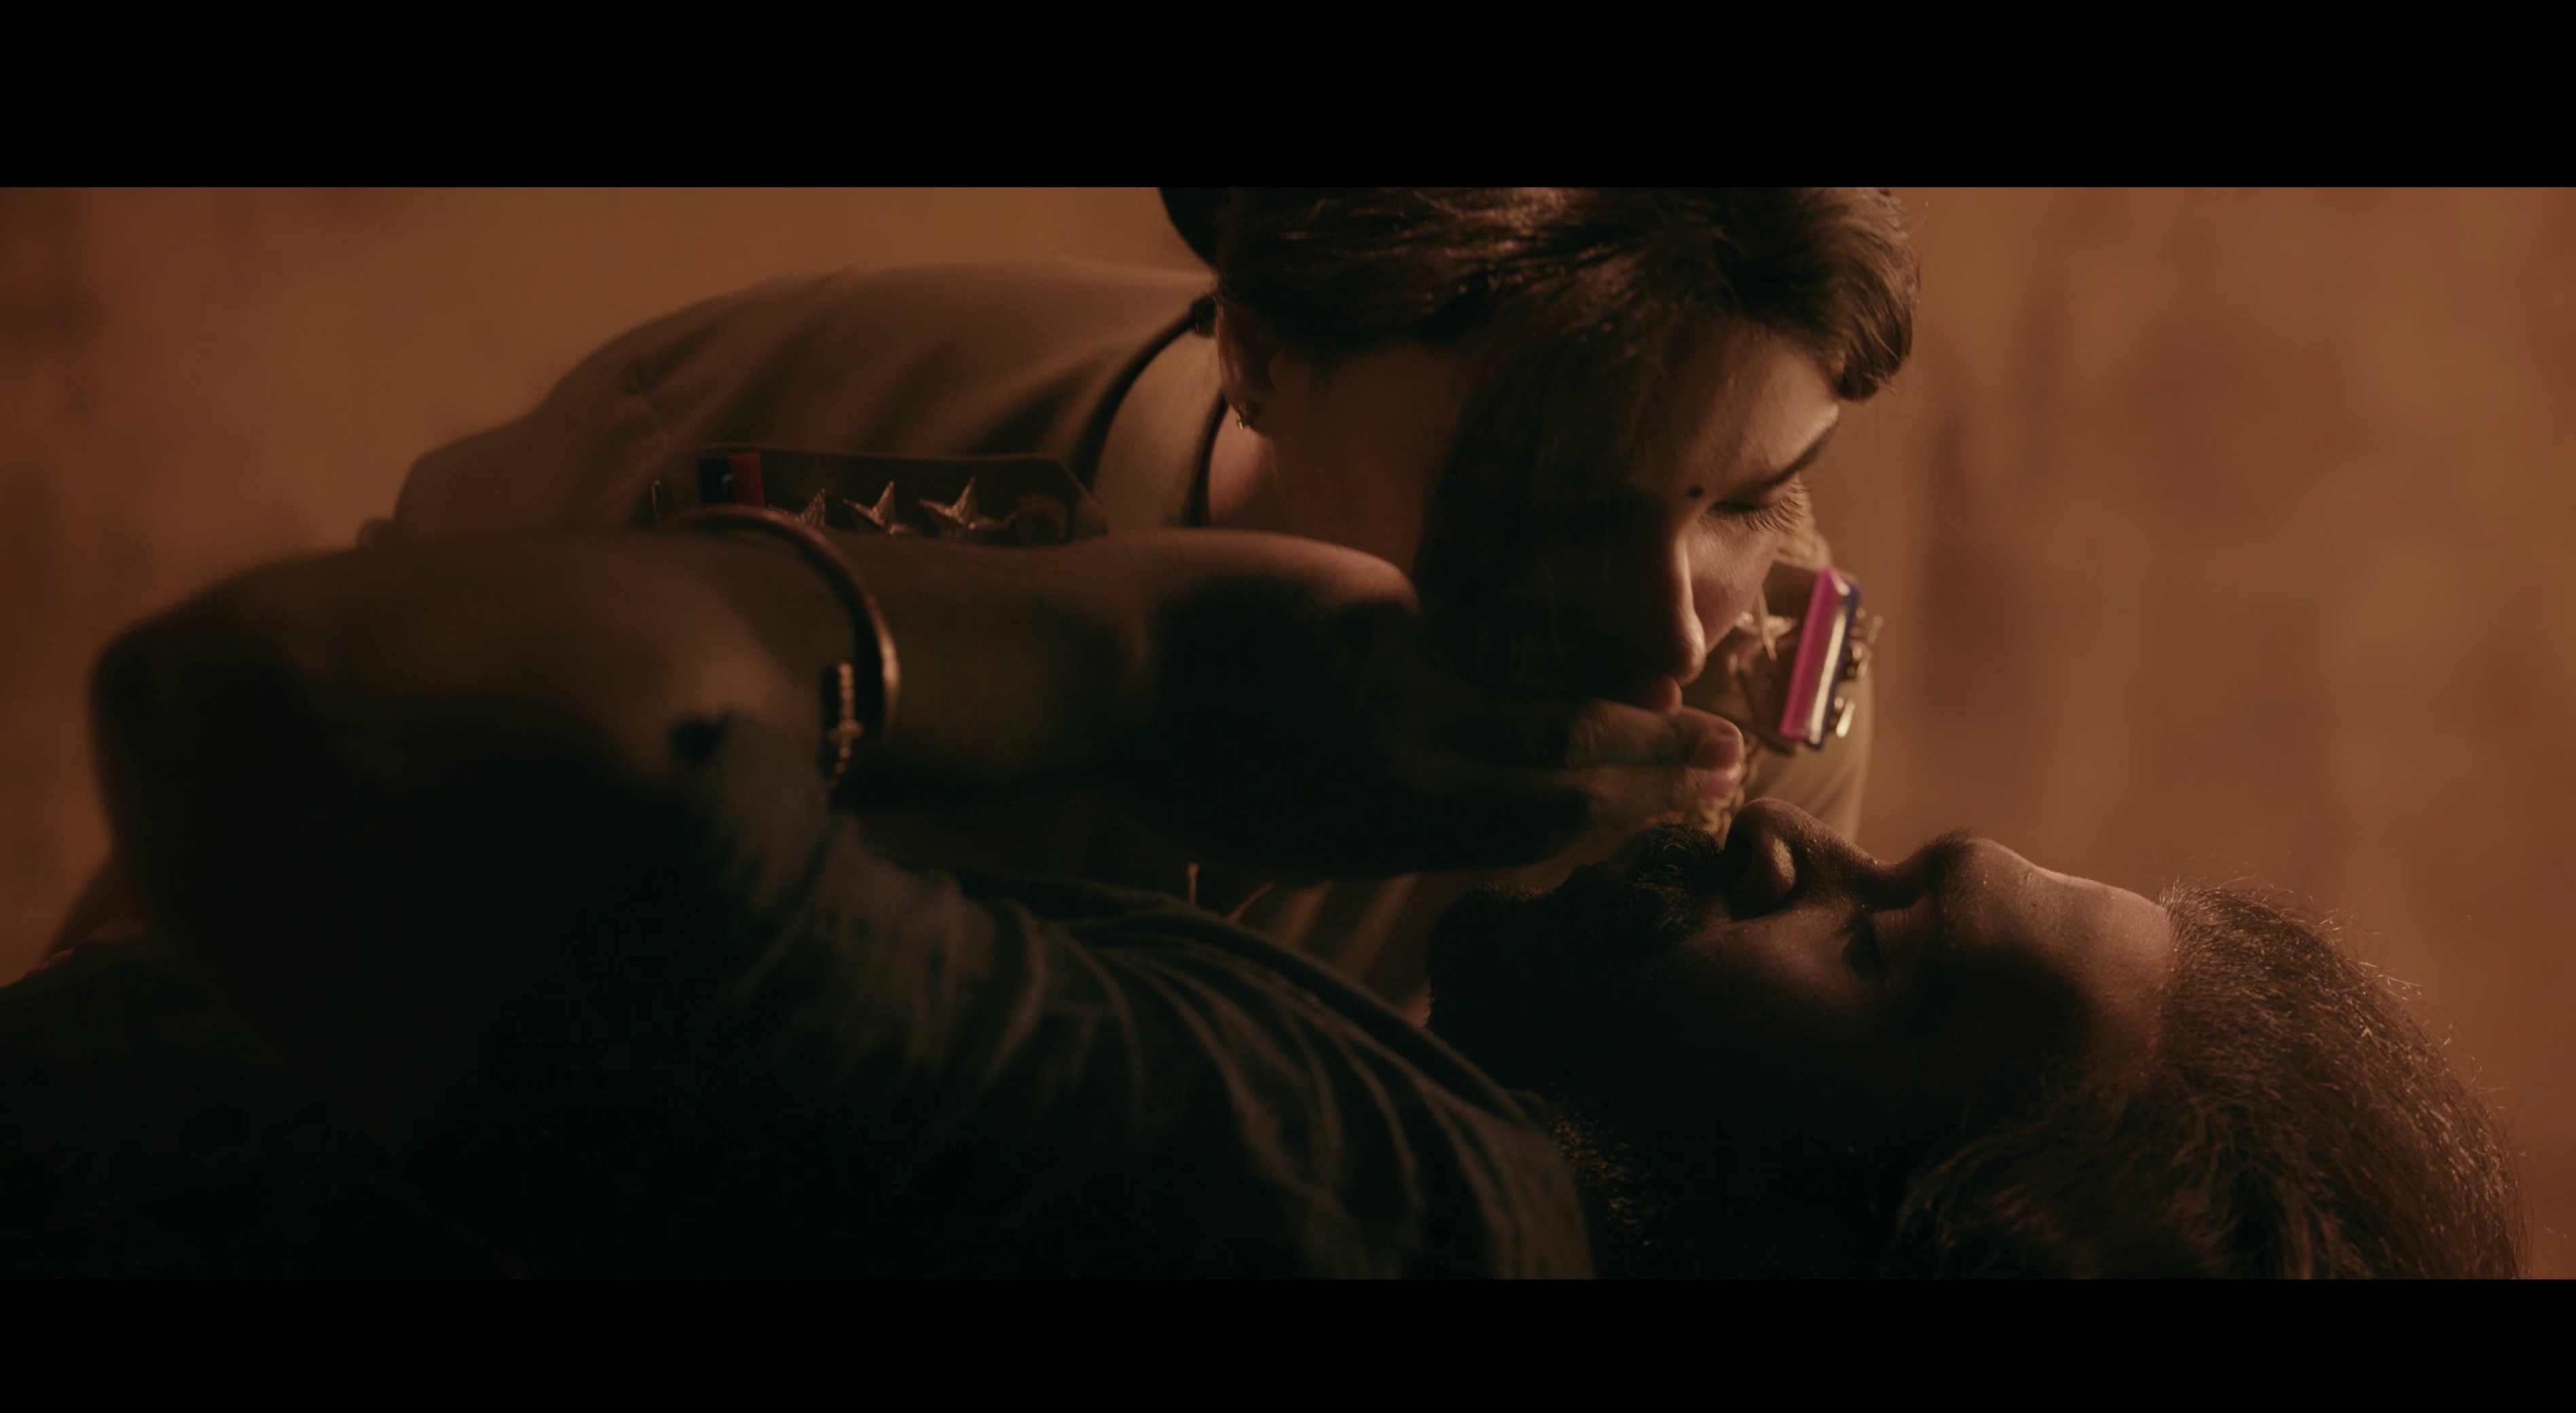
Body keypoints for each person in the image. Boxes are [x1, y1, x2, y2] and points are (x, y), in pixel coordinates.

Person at [58, 513, 2523, 1277]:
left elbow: (308, 703)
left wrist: (1123, 653)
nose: (1794, 830)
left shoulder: (1372, 1203)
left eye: (1882, 946)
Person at [299, 187, 1915, 1013]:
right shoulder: (725, 449)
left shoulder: (1760, 738)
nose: (1670, 636)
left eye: (1753, 496)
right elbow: (291, 825)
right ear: (1260, 349)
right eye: (1540, 513)